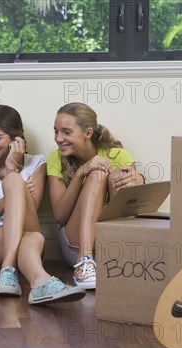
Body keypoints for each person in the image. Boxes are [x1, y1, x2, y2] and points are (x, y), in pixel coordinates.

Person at [0, 104, 86, 305]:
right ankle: (32, 277)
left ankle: (28, 279)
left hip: (26, 232)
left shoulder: (37, 162)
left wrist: (13, 168)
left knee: (31, 228)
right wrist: (8, 198)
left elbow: (31, 214)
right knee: (32, 231)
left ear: (15, 139)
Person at [47, 102, 145, 289]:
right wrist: (81, 173)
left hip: (110, 245)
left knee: (116, 175)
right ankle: (85, 261)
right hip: (73, 246)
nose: (59, 138)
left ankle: (117, 257)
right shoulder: (56, 158)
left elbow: (131, 209)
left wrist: (139, 179)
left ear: (88, 133)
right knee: (98, 172)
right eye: (56, 131)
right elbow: (60, 216)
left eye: (66, 132)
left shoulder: (119, 155)